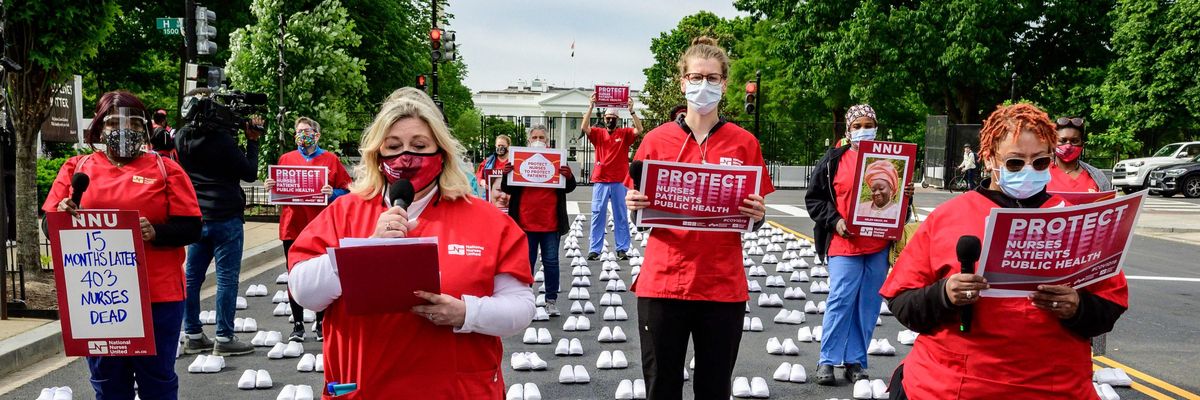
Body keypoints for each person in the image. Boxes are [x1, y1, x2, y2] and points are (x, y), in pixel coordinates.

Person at [287, 95, 535, 398]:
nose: (405, 157)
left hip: (456, 390)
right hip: (365, 388)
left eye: (419, 146)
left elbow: (520, 308)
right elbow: (304, 292)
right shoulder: (345, 212)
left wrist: (467, 313)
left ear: (441, 152)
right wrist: (364, 251)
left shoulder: (487, 220)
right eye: (393, 147)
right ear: (377, 154)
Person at [881, 103, 1128, 399]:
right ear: (988, 159)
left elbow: (1110, 303)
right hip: (952, 385)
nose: (1028, 171)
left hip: (1054, 386)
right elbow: (903, 301)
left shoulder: (1075, 219)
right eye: (1014, 163)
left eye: (1039, 162)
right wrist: (944, 294)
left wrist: (1078, 306)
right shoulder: (949, 216)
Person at [624, 36, 773, 399]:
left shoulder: (744, 142)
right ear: (683, 81)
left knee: (714, 388)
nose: (703, 84)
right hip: (663, 282)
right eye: (695, 77)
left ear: (724, 83)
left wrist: (758, 215)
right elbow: (640, 212)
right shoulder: (656, 140)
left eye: (712, 78)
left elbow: (753, 217)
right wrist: (634, 204)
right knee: (662, 386)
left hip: (721, 284)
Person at [43, 91, 202, 399]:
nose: (123, 130)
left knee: (157, 381)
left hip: (158, 297)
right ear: (100, 128)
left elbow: (192, 227)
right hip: (101, 300)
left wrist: (156, 232)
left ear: (145, 130)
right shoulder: (76, 169)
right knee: (108, 383)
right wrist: (62, 215)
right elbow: (50, 228)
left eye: (132, 124)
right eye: (113, 122)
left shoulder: (166, 169)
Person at [804, 104, 913, 386]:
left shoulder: (892, 161)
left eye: (869, 124)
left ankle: (856, 361)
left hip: (878, 245)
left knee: (868, 305)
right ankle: (827, 359)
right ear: (848, 130)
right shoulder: (833, 161)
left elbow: (896, 205)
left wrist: (906, 195)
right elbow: (815, 199)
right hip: (844, 243)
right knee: (840, 299)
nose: (864, 130)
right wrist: (835, 221)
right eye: (857, 126)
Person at [174, 88, 265, 356]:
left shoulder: (182, 137)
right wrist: (253, 141)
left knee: (192, 278)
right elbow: (249, 172)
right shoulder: (223, 140)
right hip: (226, 217)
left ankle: (192, 333)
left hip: (197, 217)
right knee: (226, 278)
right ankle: (224, 338)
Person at [263, 117, 352, 342]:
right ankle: (298, 325)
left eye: (307, 131)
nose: (303, 135)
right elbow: (279, 188)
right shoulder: (286, 159)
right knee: (295, 276)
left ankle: (321, 322)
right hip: (292, 228)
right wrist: (270, 186)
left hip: (321, 228)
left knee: (321, 277)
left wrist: (331, 193)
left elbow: (348, 191)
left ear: (317, 134)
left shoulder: (330, 160)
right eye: (299, 131)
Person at [501, 125, 578, 317]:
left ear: (547, 141)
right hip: (525, 222)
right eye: (534, 137)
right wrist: (506, 174)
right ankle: (526, 300)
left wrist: (568, 176)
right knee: (527, 263)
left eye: (541, 137)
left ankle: (551, 300)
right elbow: (508, 190)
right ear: (528, 141)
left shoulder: (556, 160)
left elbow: (569, 188)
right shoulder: (518, 160)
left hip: (550, 223)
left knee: (551, 262)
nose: (538, 140)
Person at [581, 95, 643, 260]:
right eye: (608, 118)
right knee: (597, 215)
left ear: (618, 119)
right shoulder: (598, 133)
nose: (610, 120)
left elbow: (639, 130)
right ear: (604, 118)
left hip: (619, 181)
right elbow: (584, 127)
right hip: (601, 180)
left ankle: (622, 248)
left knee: (621, 215)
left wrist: (632, 111)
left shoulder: (624, 134)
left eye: (613, 118)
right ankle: (595, 249)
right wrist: (590, 107)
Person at [1049, 117, 1113, 192]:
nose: (1068, 146)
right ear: (1053, 143)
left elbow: (1108, 201)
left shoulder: (1097, 177)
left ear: (1082, 145)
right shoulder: (1040, 173)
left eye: (1074, 141)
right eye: (1063, 141)